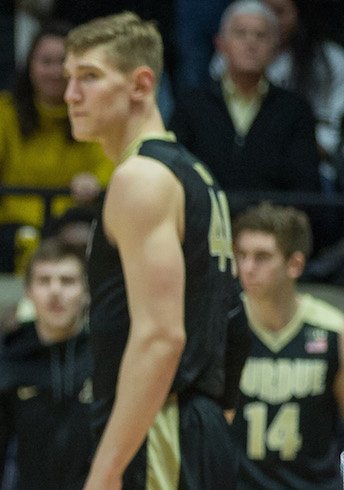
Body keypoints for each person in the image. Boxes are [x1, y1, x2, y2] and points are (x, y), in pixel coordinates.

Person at [63, 12, 240, 489]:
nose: (70, 96)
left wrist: (105, 471)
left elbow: (162, 337)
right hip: (195, 428)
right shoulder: (195, 175)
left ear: (141, 84)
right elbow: (235, 318)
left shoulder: (140, 179)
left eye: (89, 78)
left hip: (162, 429)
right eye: (68, 79)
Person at [0, 22, 112, 273]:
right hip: (10, 222)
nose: (54, 71)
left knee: (84, 238)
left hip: (72, 220)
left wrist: (97, 181)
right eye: (46, 62)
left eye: (63, 62)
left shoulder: (97, 114)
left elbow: (111, 160)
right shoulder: (1, 110)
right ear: (30, 65)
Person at [171, 1, 329, 248]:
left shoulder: (295, 110)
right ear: (220, 44)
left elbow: (305, 192)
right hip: (200, 237)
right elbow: (176, 177)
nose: (251, 43)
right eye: (241, 33)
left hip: (272, 239)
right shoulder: (192, 104)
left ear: (276, 48)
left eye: (261, 35)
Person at [230, 202, 344, 489]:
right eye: (241, 255)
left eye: (262, 257)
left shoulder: (333, 331)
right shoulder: (223, 328)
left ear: (294, 264)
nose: (247, 267)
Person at [0, 238, 93, 489]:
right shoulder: (8, 363)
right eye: (44, 281)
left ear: (87, 293)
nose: (55, 291)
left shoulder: (106, 359)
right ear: (28, 292)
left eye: (67, 281)